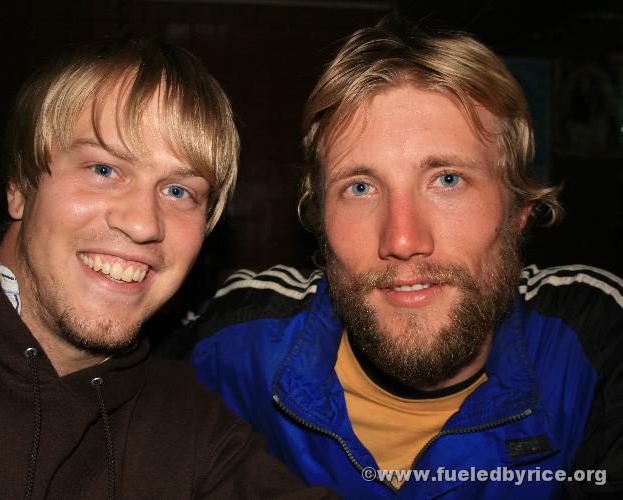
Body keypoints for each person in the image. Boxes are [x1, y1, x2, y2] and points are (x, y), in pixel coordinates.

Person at [0, 36, 337, 499]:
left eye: (178, 191)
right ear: (18, 185)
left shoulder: (192, 428)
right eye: (103, 169)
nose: (141, 224)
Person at [189, 17, 623, 498]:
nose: (401, 238)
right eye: (359, 187)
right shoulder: (234, 343)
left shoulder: (596, 340)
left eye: (448, 180)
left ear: (519, 208)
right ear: (319, 218)